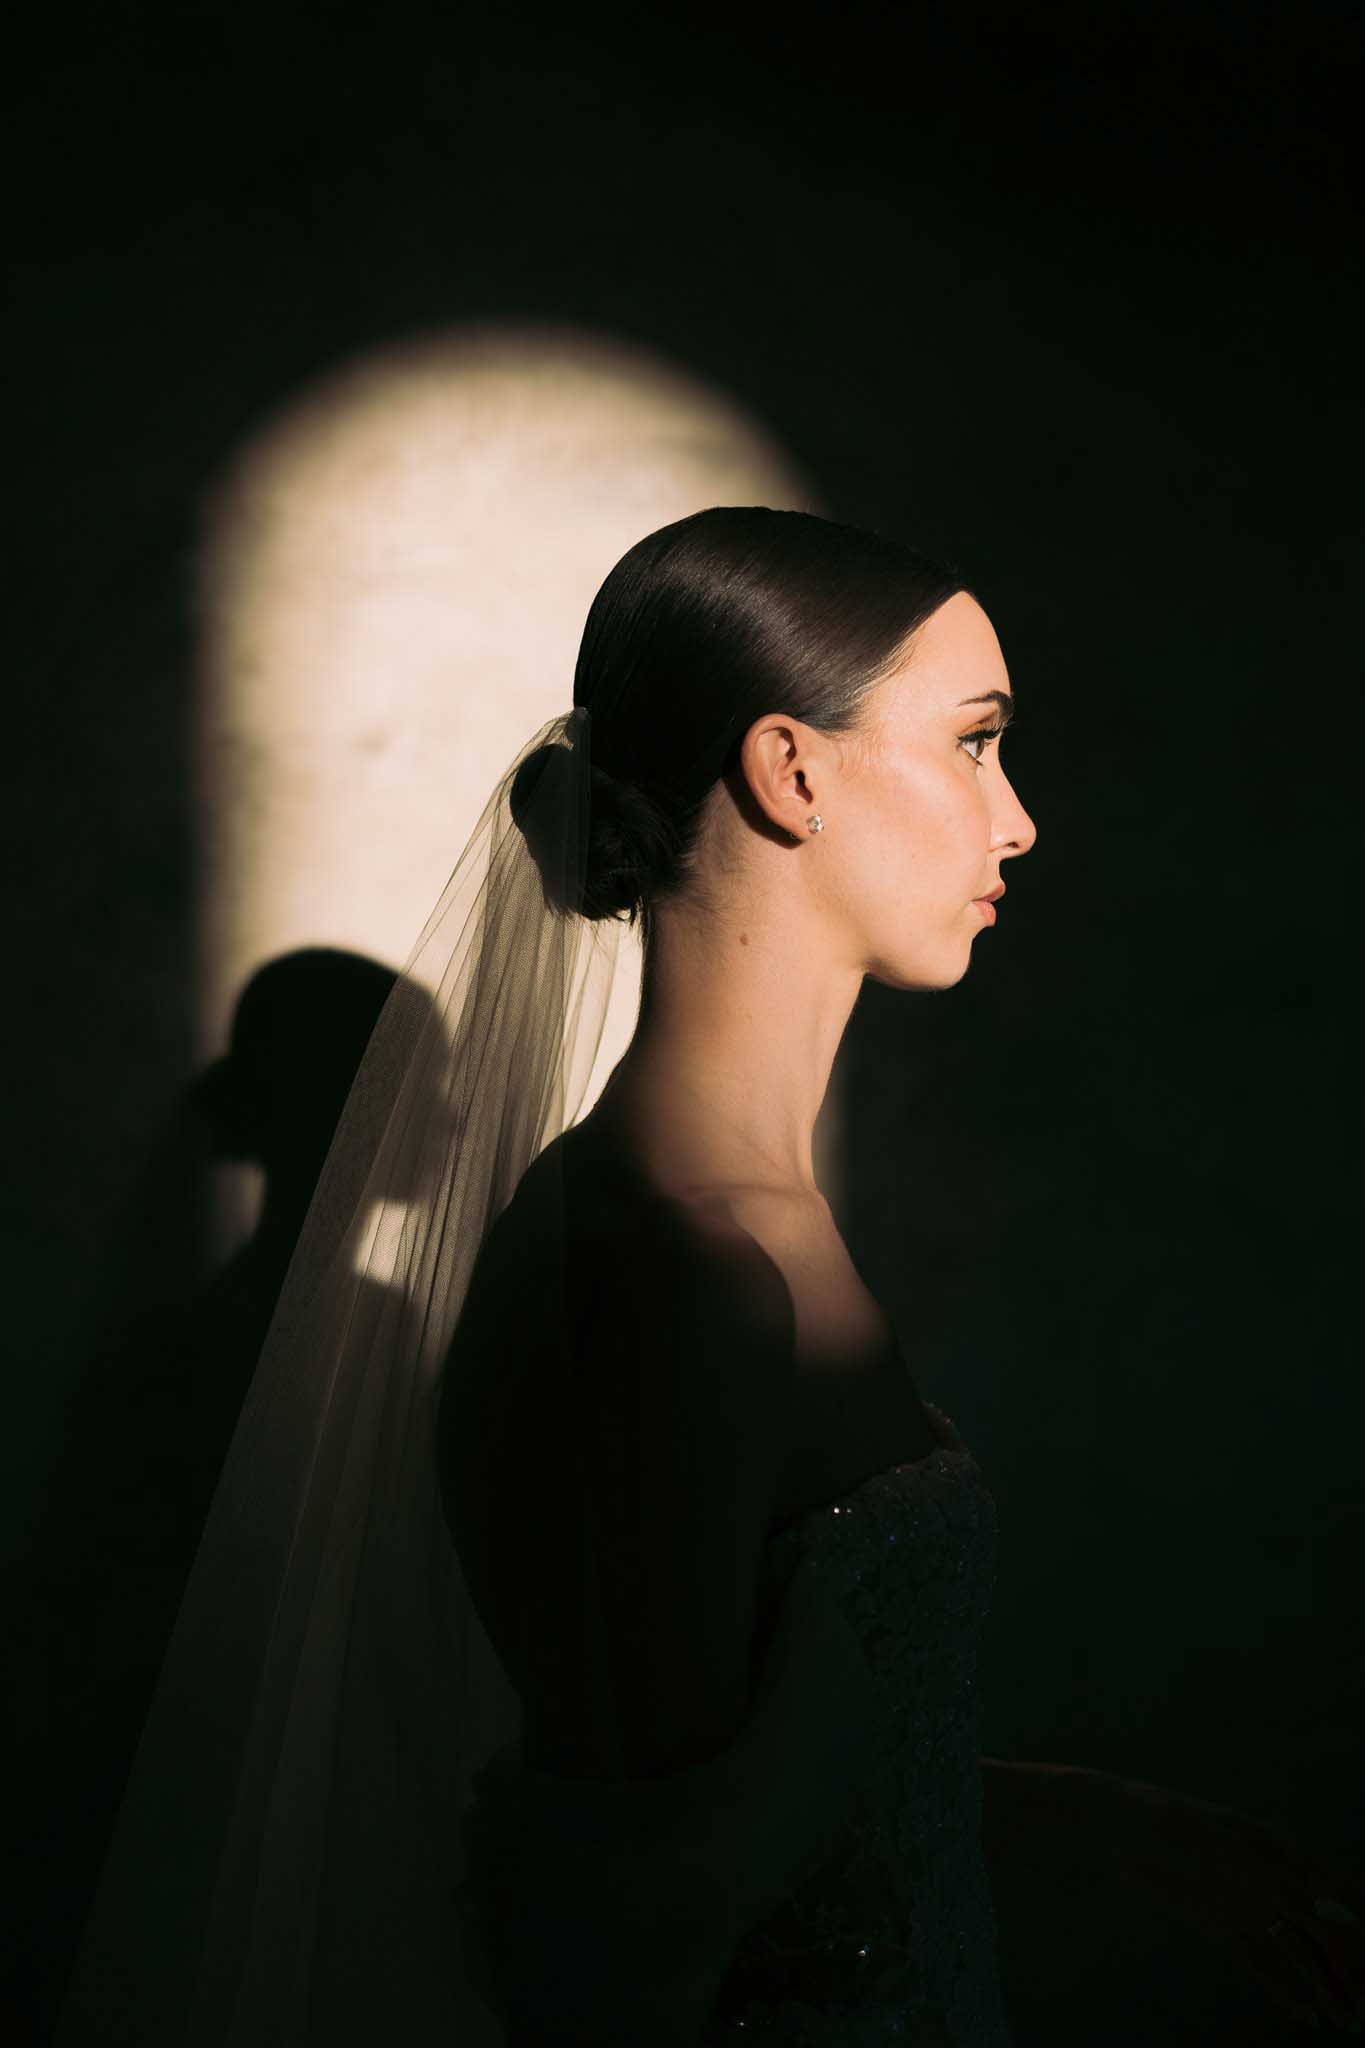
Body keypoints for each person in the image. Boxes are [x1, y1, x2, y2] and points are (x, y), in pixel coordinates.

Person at [53, 507, 1363, 2047]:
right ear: (790, 772)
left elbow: (755, 1800)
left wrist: (1060, 1820)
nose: (1015, 823)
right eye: (973, 743)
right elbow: (628, 1928)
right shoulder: (679, 1265)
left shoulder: (720, 1225)